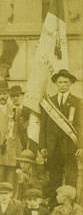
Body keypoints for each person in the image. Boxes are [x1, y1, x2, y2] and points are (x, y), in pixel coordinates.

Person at [39, 69, 81, 202]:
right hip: (52, 148)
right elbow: (44, 126)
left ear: (70, 84)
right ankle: (53, 207)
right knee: (54, 179)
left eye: (66, 82)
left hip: (70, 148)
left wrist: (81, 145)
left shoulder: (77, 102)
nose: (63, 85)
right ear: (56, 84)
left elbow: (81, 126)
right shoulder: (48, 102)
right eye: (60, 82)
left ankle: (71, 208)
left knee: (70, 179)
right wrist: (43, 146)